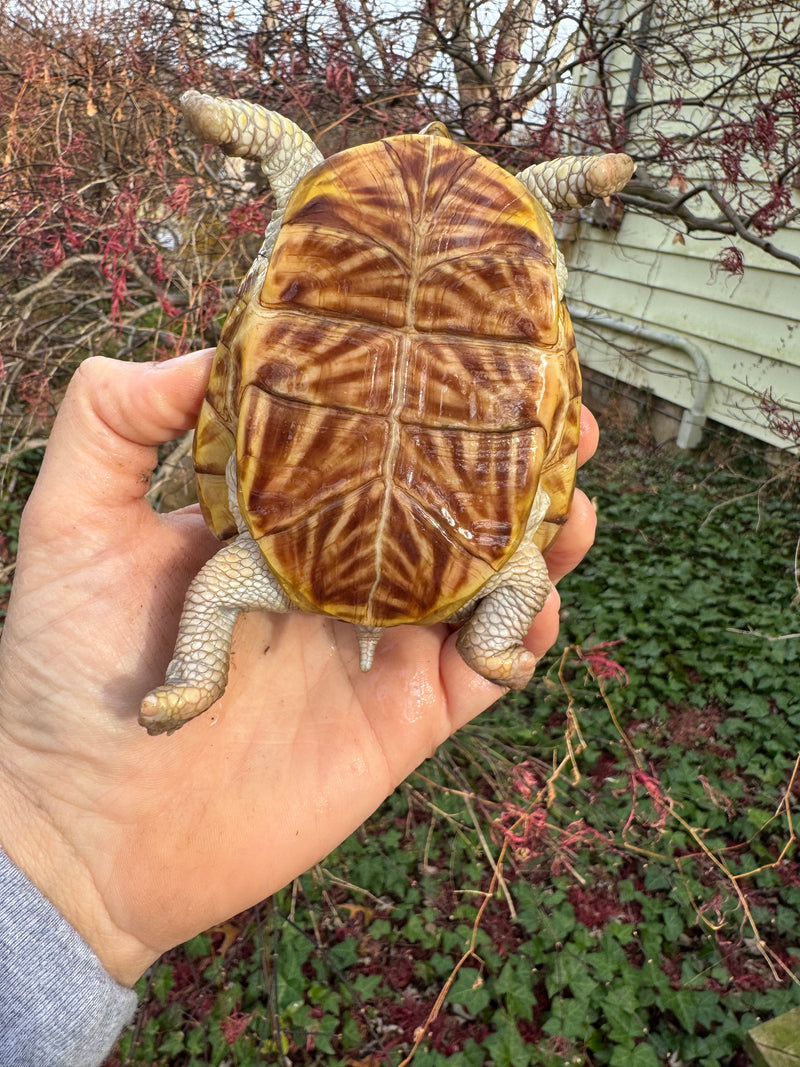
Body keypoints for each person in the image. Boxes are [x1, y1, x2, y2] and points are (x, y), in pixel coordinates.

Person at [0, 350, 598, 1065]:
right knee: (523, 565)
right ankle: (485, 642)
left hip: (293, 538)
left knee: (223, 583)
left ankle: (198, 676)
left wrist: (46, 843)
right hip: (461, 550)